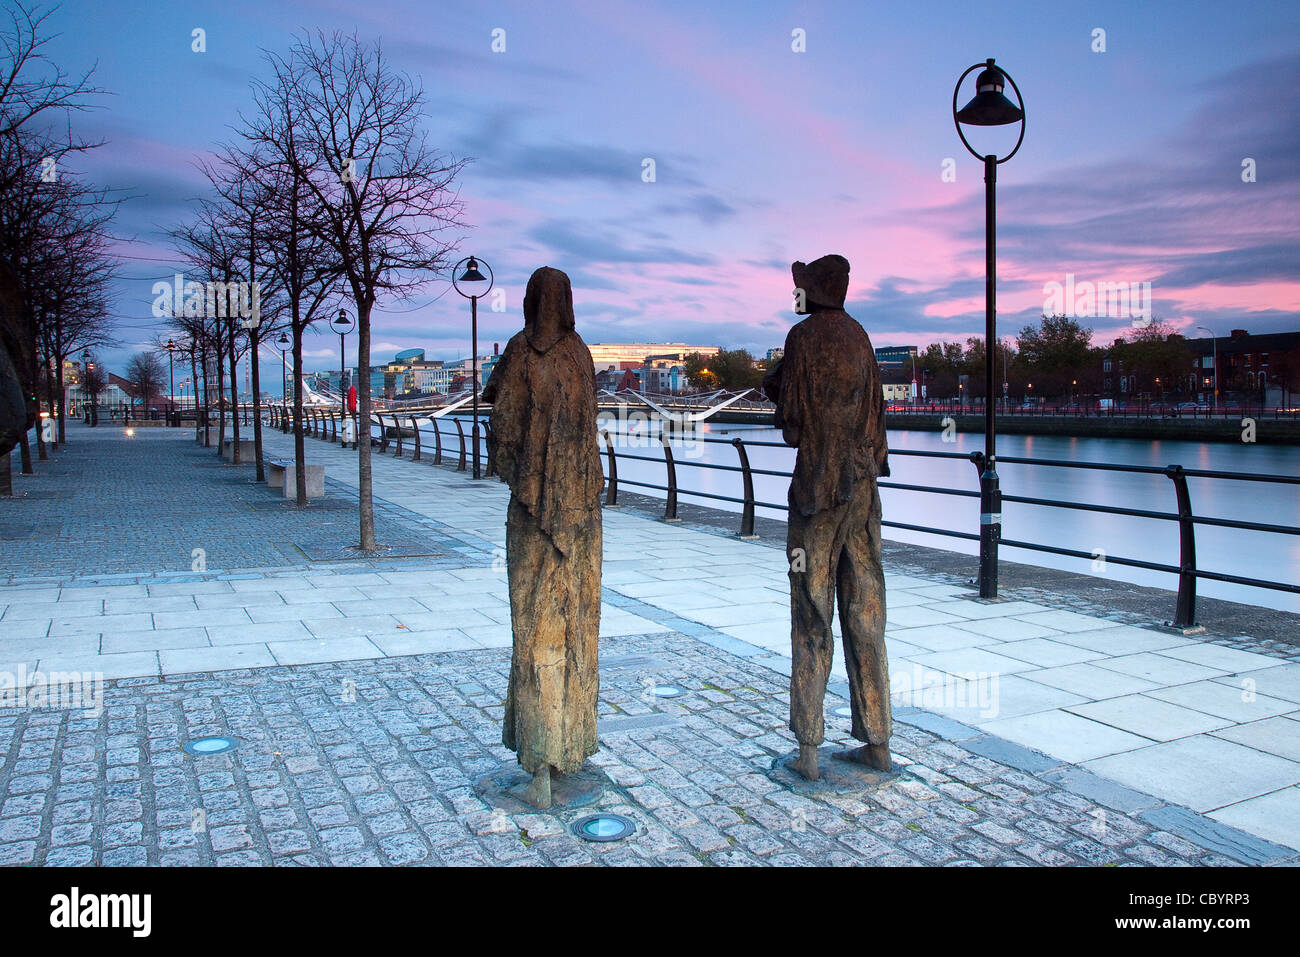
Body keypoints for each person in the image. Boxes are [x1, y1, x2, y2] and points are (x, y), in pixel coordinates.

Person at [763, 254, 892, 781]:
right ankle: (878, 740)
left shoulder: (802, 339)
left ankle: (809, 748)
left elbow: (791, 423)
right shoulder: (859, 336)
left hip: (815, 495)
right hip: (862, 493)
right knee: (866, 610)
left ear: (812, 290)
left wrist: (781, 386)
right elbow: (877, 418)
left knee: (810, 612)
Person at [481, 267, 603, 809]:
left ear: (531, 301)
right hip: (582, 515)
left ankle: (540, 764)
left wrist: (521, 474)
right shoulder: (581, 354)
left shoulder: (519, 353)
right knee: (578, 624)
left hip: (534, 515)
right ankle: (569, 746)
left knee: (533, 628)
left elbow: (501, 429)